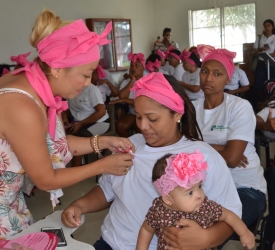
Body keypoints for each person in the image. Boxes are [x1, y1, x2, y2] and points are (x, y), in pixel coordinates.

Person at [0, 9, 135, 249]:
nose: (89, 83)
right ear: (59, 68)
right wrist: (103, 166)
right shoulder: (22, 106)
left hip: (3, 201)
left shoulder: (30, 84)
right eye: (85, 74)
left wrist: (102, 142)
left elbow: (45, 145)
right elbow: (46, 179)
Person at [62, 72, 242, 250]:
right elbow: (108, 189)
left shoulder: (203, 156)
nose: (142, 126)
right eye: (138, 117)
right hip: (111, 242)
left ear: (177, 114)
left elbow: (230, 213)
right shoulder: (130, 145)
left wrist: (208, 238)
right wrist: (79, 205)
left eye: (152, 118)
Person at [192, 44, 266, 237]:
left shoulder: (239, 107)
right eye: (205, 72)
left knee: (205, 233)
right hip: (203, 186)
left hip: (243, 186)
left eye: (217, 74)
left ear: (228, 78)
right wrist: (220, 148)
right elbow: (178, 148)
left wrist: (197, 147)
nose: (208, 78)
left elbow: (232, 159)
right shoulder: (191, 109)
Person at [136, 152, 255, 250]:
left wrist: (244, 233)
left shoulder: (204, 207)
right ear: (168, 199)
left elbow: (228, 216)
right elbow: (146, 229)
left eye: (199, 186)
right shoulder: (158, 211)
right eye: (190, 193)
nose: (199, 195)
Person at [110, 52, 145, 136]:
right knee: (120, 126)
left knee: (140, 127)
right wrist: (132, 80)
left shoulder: (147, 82)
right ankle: (129, 146)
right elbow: (122, 95)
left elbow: (140, 103)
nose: (133, 68)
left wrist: (123, 100)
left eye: (137, 65)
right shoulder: (127, 81)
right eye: (132, 65)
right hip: (133, 114)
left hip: (145, 114)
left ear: (143, 68)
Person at [251, 19, 275, 110]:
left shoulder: (274, 38)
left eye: (269, 25)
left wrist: (268, 55)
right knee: (257, 86)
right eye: (265, 26)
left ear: (272, 27)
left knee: (272, 85)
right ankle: (252, 108)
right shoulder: (260, 38)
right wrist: (261, 50)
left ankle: (271, 108)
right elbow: (253, 53)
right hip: (261, 64)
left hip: (272, 64)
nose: (267, 27)